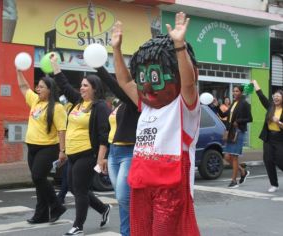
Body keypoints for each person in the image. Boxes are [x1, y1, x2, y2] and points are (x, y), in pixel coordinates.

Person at [111, 12, 201, 235]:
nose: (148, 88)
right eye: (144, 79)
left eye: (156, 78)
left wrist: (179, 46)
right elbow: (125, 81)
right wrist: (116, 50)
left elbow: (188, 85)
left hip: (170, 187)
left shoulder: (183, 106)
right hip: (141, 182)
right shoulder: (146, 106)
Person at [50, 57, 112, 236]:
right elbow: (64, 85)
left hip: (87, 154)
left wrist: (100, 159)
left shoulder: (100, 107)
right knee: (74, 187)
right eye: (81, 85)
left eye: (86, 85)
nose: (82, 88)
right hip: (73, 153)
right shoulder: (78, 102)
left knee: (80, 191)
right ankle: (103, 208)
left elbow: (103, 136)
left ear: (94, 88)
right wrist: (55, 65)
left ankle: (78, 226)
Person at [16, 70, 67, 224]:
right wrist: (18, 70)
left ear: (50, 90)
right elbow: (24, 86)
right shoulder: (36, 101)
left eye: (41, 87)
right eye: (37, 87)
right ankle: (41, 215)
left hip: (48, 148)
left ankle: (56, 206)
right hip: (32, 147)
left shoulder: (57, 107)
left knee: (38, 176)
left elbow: (61, 130)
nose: (37, 89)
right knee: (39, 182)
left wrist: (62, 151)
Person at [96, 66, 140, 236]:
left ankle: (132, 232)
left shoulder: (135, 96)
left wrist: (99, 68)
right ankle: (127, 232)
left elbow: (114, 85)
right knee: (123, 200)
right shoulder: (120, 104)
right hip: (115, 153)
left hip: (130, 152)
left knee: (123, 198)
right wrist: (106, 156)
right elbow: (111, 130)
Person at [217, 85, 252, 188]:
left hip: (238, 132)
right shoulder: (233, 103)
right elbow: (223, 115)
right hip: (231, 131)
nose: (234, 93)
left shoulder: (245, 104)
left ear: (241, 92)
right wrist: (216, 105)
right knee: (227, 156)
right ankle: (243, 171)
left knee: (234, 157)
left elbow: (250, 118)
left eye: (236, 91)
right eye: (233, 91)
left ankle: (234, 181)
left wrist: (238, 121)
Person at [252, 80, 283, 192]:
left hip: (280, 138)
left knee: (280, 161)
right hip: (268, 137)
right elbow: (261, 96)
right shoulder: (270, 106)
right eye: (274, 96)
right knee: (268, 160)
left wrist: (278, 122)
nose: (276, 98)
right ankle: (274, 184)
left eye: (278, 96)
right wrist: (255, 83)